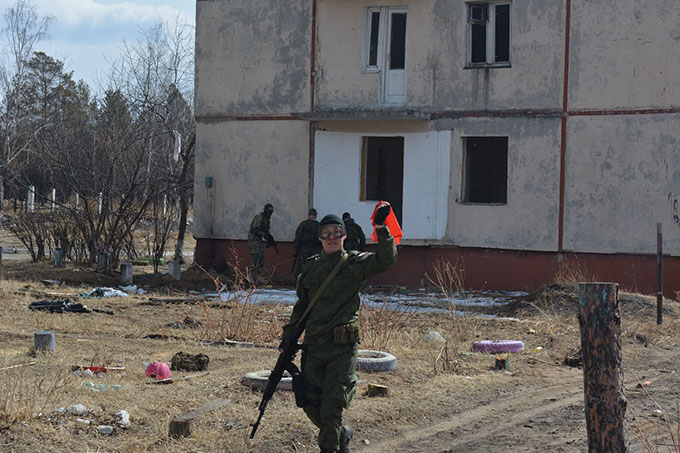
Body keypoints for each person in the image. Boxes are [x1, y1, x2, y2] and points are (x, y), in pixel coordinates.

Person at [280, 202, 397, 453]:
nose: (332, 237)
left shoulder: (355, 264)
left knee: (332, 404)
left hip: (341, 348)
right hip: (314, 346)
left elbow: (386, 259)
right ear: (319, 237)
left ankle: (330, 447)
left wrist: (381, 227)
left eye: (337, 232)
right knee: (310, 402)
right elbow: (301, 307)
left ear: (344, 235)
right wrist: (287, 336)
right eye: (326, 233)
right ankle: (341, 433)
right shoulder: (311, 267)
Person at [247, 203, 275, 283]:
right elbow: (254, 230)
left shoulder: (267, 220)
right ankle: (250, 275)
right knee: (256, 256)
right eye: (268, 211)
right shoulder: (259, 217)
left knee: (261, 257)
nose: (270, 213)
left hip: (258, 240)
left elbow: (266, 231)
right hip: (253, 239)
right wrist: (264, 234)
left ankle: (258, 276)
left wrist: (269, 238)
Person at [294, 208, 322, 276]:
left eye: (315, 215)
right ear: (309, 215)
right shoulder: (304, 224)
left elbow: (321, 237)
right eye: (312, 215)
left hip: (314, 248)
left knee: (313, 266)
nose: (314, 216)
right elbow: (298, 236)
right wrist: (297, 248)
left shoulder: (318, 225)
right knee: (302, 266)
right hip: (304, 248)